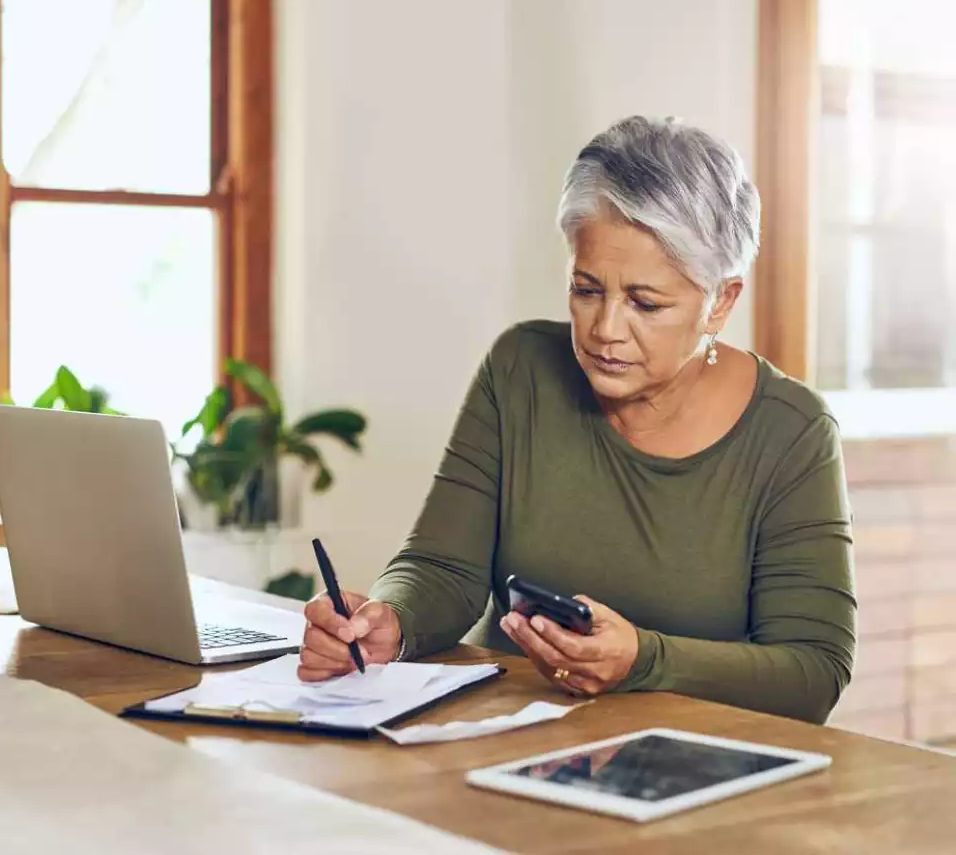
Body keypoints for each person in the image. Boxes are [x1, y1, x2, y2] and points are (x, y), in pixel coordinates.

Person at [296, 115, 856, 725]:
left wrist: (644, 659)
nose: (606, 330)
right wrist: (391, 623)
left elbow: (813, 671)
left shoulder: (792, 430)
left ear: (720, 300)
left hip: (694, 775)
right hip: (501, 744)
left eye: (645, 303)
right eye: (587, 291)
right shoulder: (521, 368)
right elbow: (443, 568)